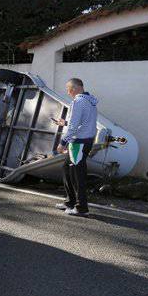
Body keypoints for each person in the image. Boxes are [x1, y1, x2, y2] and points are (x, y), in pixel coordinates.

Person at [53, 78, 98, 217]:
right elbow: (83, 122)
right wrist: (65, 122)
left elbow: (74, 127)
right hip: (85, 140)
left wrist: (62, 143)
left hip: (78, 142)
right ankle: (70, 202)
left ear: (73, 88)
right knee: (67, 169)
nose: (68, 92)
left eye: (68, 89)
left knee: (77, 175)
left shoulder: (78, 101)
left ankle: (81, 208)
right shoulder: (90, 101)